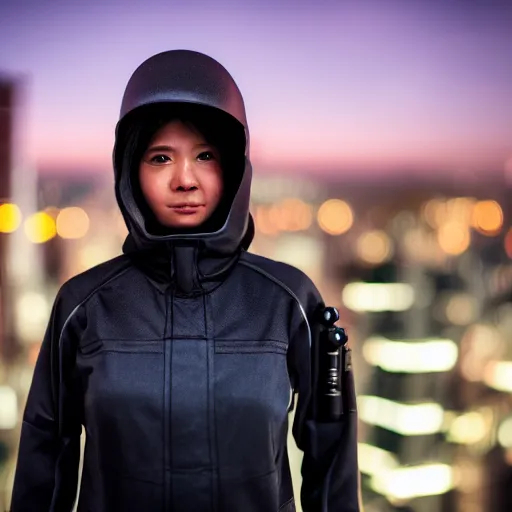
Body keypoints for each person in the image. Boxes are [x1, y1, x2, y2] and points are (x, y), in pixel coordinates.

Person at [10, 49, 360, 511]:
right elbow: (43, 466)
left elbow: (332, 465)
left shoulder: (288, 301)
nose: (185, 179)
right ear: (130, 170)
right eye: (160, 157)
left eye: (205, 155)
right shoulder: (84, 306)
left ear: (234, 167)